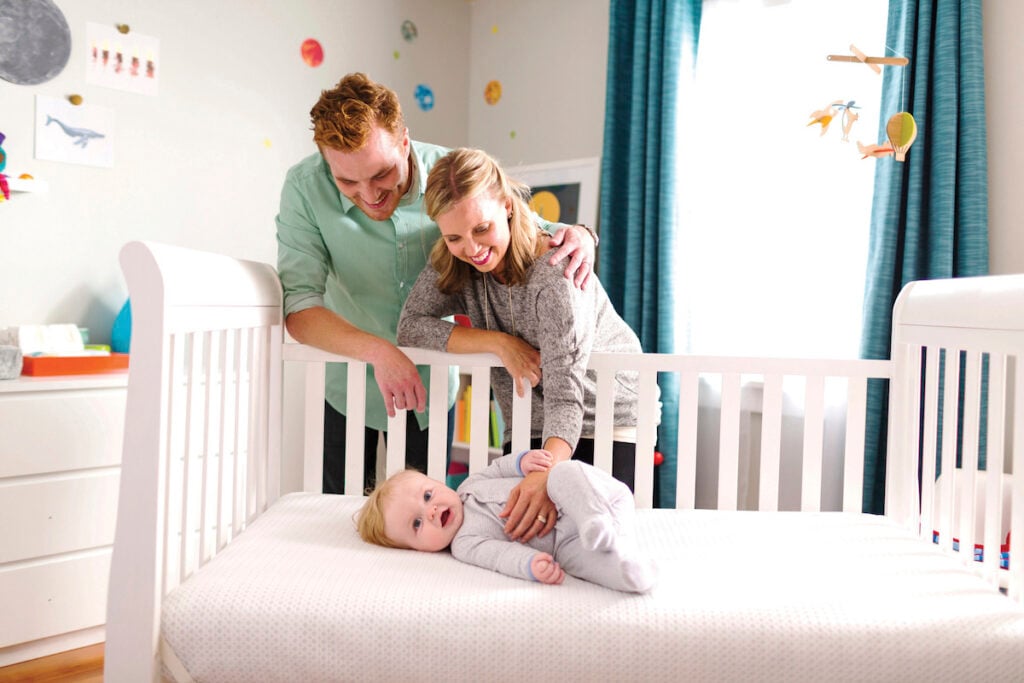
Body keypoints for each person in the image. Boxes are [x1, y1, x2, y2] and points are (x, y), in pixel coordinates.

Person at [275, 73, 598, 494]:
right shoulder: (302, 188)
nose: (369, 194)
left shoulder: (450, 177)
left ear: (404, 142)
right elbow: (299, 308)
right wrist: (379, 351)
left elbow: (529, 228)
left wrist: (584, 235)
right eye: (347, 183)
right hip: (346, 380)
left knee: (429, 516)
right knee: (334, 511)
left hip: (431, 385)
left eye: (381, 174)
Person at [396, 147, 654, 544]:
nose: (472, 248)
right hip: (529, 416)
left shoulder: (554, 276)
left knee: (597, 538)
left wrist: (545, 477)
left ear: (507, 207)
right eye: (454, 237)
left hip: (604, 414)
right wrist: (500, 343)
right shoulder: (458, 261)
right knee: (523, 531)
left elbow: (568, 399)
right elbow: (411, 327)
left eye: (482, 229)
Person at [356, 450, 656, 593]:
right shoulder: (465, 545)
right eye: (417, 524)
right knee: (584, 563)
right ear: (416, 550)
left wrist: (522, 462)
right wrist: (531, 565)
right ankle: (630, 572)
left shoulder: (469, 485)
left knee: (564, 472)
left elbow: (500, 467)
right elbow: (501, 557)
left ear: (437, 481)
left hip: (596, 500)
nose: (431, 511)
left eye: (427, 496)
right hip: (567, 543)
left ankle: (595, 519)